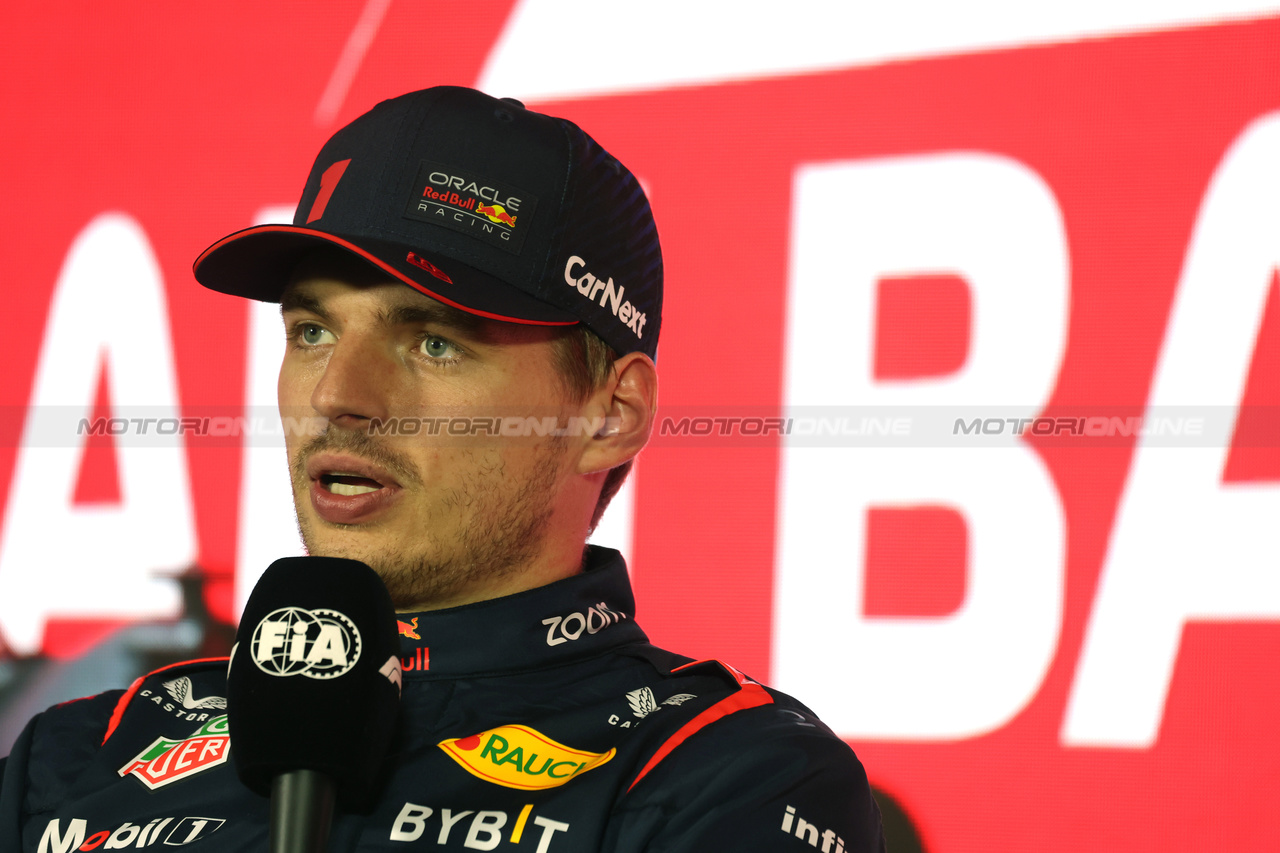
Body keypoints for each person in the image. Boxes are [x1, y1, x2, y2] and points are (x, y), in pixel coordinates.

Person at [0, 86, 885, 852]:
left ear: (608, 416)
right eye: (312, 331)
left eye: (433, 341)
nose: (339, 396)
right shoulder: (86, 749)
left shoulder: (729, 774)